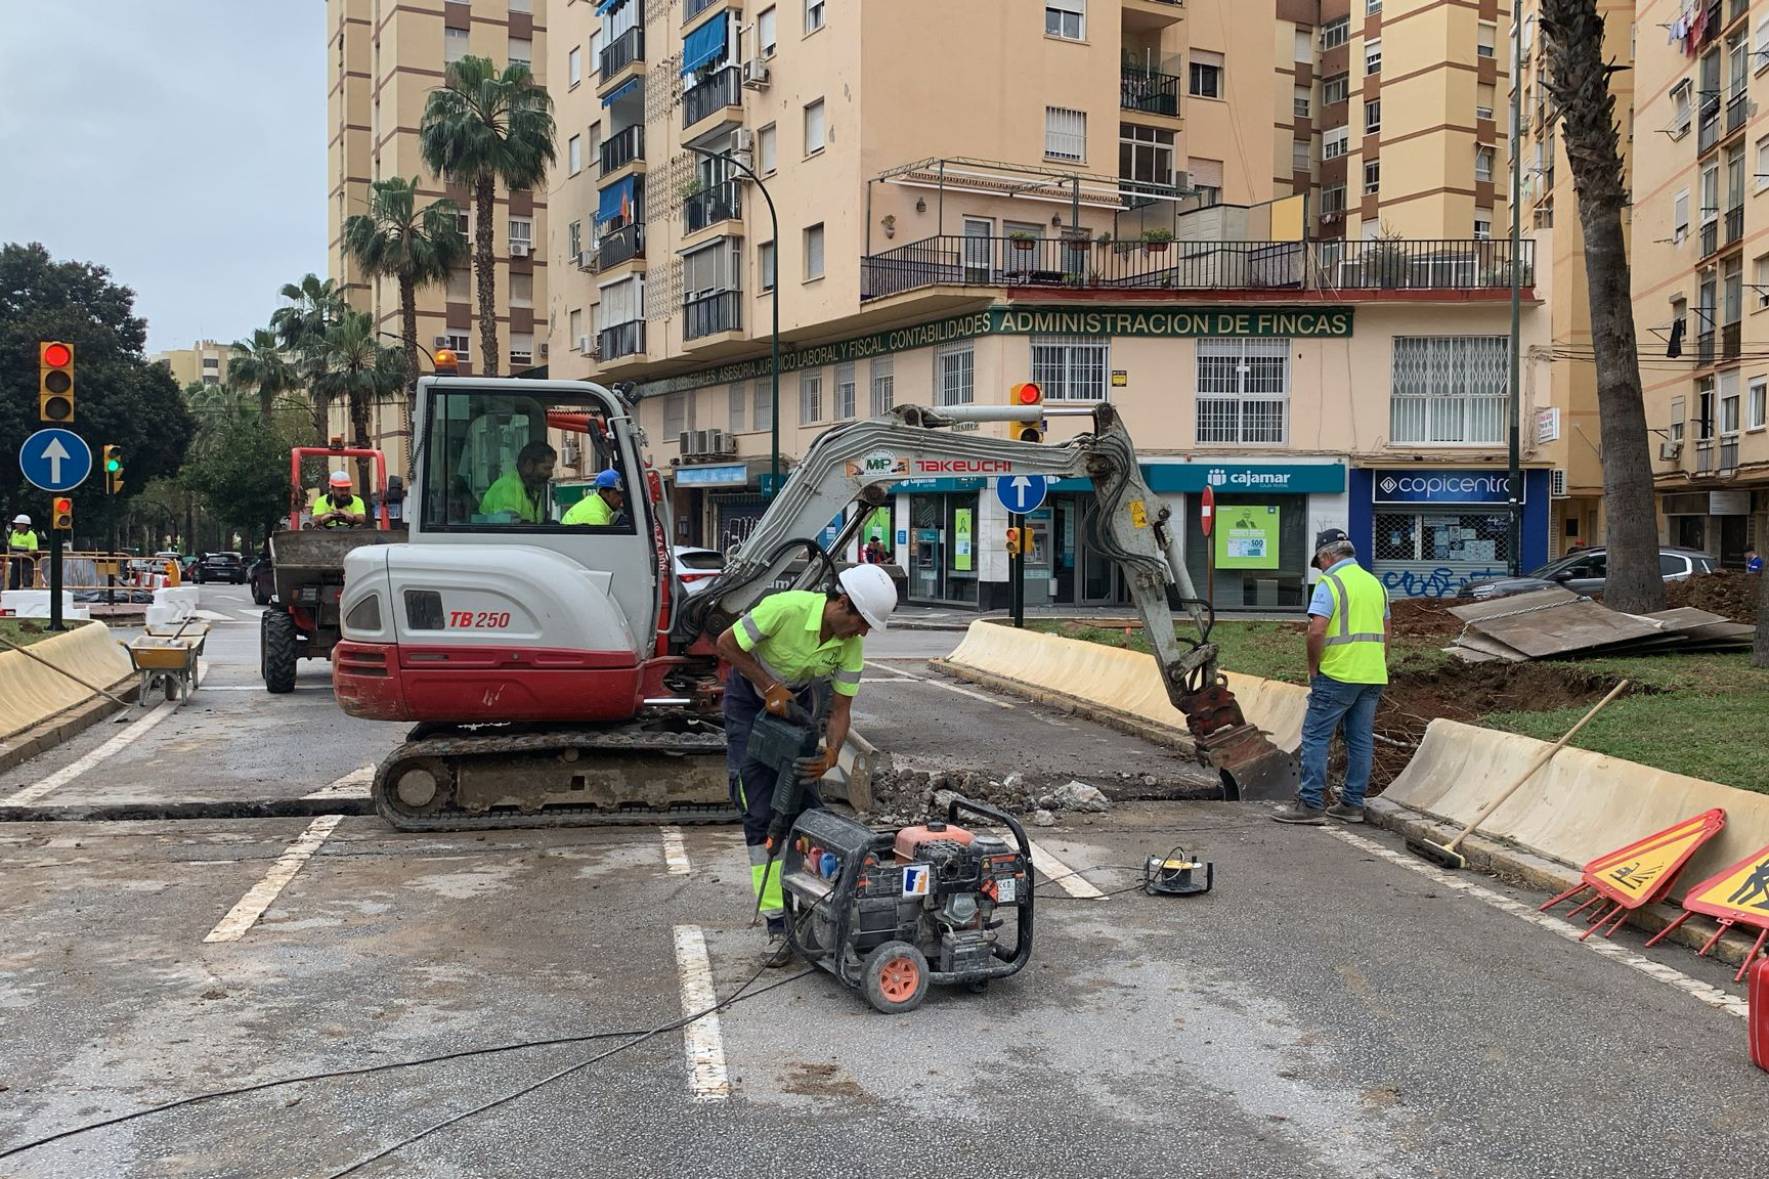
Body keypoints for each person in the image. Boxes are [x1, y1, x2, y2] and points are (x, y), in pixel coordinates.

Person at [715, 565, 900, 962]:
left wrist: (831, 754)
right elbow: (726, 644)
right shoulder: (784, 609)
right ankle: (777, 923)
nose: (863, 632)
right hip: (750, 702)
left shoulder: (849, 644)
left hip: (795, 703)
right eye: (862, 622)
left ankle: (815, 903)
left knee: (805, 807)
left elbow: (840, 709)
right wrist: (768, 687)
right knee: (760, 810)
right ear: (841, 603)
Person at [1274, 528, 1390, 826]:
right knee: (1360, 740)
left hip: (1337, 673)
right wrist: (1378, 663)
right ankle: (1352, 804)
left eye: (1320, 561)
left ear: (1328, 556)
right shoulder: (1375, 584)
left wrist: (1314, 668)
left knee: (1316, 736)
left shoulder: (1331, 583)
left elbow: (1316, 630)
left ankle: (1310, 804)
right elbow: (1387, 631)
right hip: (1372, 674)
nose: (1320, 567)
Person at [477, 441, 556, 523]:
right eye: (546, 468)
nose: (551, 474)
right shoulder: (509, 487)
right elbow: (510, 530)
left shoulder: (532, 490)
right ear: (529, 465)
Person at [6, 514, 40, 591]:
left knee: (27, 580)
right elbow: (10, 546)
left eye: (18, 524)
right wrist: (12, 553)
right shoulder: (14, 533)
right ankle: (13, 596)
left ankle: (27, 596)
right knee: (13, 581)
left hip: (27, 561)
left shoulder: (31, 535)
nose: (16, 525)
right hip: (15, 560)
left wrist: (24, 554)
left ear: (24, 525)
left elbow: (33, 550)